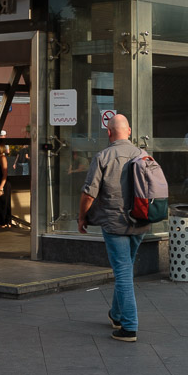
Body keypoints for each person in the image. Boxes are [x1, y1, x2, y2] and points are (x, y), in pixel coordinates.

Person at [78, 114, 147, 343]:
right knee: (125, 270)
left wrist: (82, 218)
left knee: (123, 273)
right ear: (129, 131)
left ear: (109, 133)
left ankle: (129, 327)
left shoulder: (103, 157)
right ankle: (117, 315)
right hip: (140, 222)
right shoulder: (143, 155)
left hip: (114, 223)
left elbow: (88, 193)